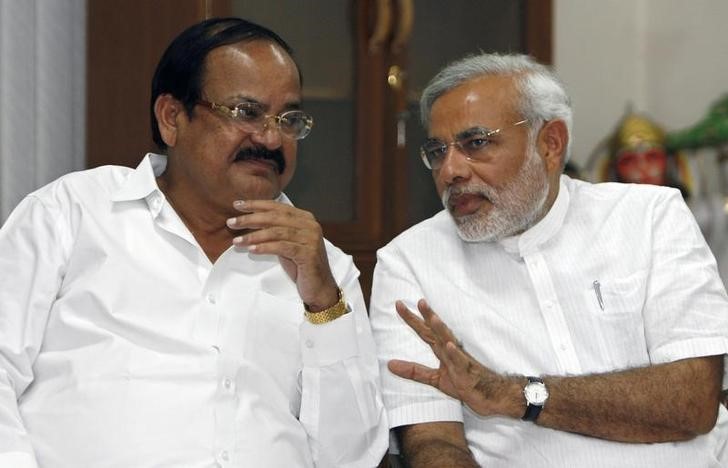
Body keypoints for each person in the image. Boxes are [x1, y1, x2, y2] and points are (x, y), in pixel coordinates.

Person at [0, 17, 387, 468]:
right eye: (247, 112)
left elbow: (352, 456)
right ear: (171, 118)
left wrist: (322, 302)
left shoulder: (326, 271)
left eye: (289, 120)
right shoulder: (73, 213)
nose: (269, 137)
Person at [368, 52, 728, 467]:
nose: (450, 170)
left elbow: (692, 402)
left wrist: (512, 395)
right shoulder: (408, 261)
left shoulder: (649, 217)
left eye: (476, 143)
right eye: (437, 151)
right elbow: (433, 443)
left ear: (550, 143)